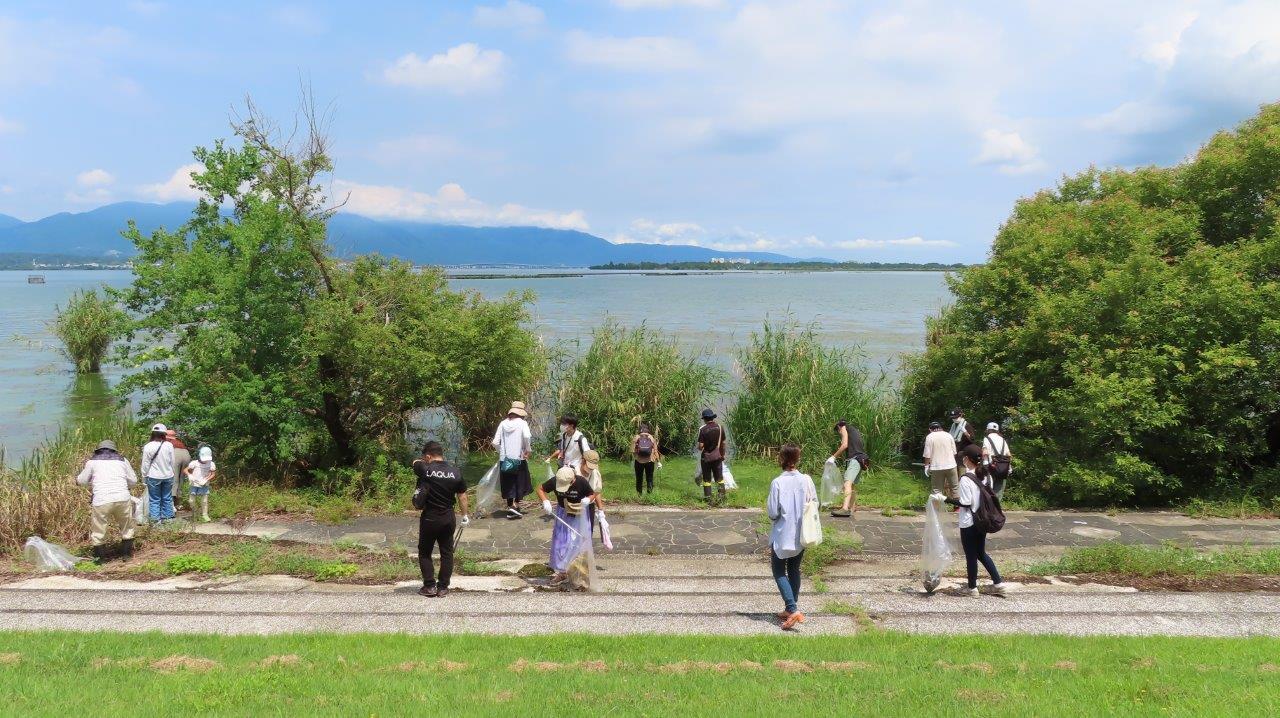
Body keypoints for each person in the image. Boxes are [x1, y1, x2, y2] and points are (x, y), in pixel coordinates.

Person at [943, 445, 1006, 597]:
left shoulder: (966, 478)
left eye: (964, 457)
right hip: (983, 520)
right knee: (981, 553)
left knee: (971, 555)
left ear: (967, 459)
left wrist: (946, 499)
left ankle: (972, 588)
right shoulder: (986, 475)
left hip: (969, 522)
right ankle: (998, 583)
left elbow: (965, 502)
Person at [767, 443, 816, 630]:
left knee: (779, 571)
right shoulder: (807, 480)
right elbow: (814, 504)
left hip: (782, 534)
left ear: (781, 459)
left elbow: (773, 512)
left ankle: (793, 609)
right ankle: (790, 607)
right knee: (794, 569)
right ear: (797, 459)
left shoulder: (777, 483)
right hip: (801, 533)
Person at [412, 441, 469, 598]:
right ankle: (443, 587)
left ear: (428, 456)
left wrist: (423, 461)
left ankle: (429, 586)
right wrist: (465, 515)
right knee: (447, 552)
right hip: (448, 517)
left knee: (425, 552)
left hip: (430, 517)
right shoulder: (455, 472)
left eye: (426, 457)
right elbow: (462, 496)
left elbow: (415, 462)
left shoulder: (425, 469)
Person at [75, 440, 138, 562]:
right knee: (127, 528)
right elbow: (133, 481)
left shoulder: (92, 462)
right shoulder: (123, 461)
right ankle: (126, 555)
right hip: (122, 497)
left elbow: (81, 481)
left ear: (98, 450)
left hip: (102, 499)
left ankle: (100, 559)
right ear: (114, 450)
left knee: (99, 530)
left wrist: (81, 481)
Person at [538, 465, 596, 587]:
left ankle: (579, 573)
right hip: (563, 513)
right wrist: (545, 501)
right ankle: (562, 572)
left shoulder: (581, 482)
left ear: (572, 479)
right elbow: (540, 489)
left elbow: (593, 494)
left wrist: (588, 500)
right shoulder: (555, 480)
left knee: (577, 543)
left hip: (579, 514)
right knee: (561, 543)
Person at [491, 401, 533, 519]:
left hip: (505, 460)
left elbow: (494, 442)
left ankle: (510, 506)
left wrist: (502, 452)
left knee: (508, 483)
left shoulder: (503, 423)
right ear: (521, 413)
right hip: (519, 459)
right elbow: (526, 436)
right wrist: (528, 450)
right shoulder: (523, 423)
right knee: (520, 482)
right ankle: (515, 506)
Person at [827, 419, 867, 518]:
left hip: (855, 459)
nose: (839, 433)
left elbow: (844, 445)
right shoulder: (853, 430)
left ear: (839, 427)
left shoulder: (843, 427)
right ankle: (852, 508)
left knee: (847, 483)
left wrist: (833, 457)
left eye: (838, 431)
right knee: (852, 485)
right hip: (860, 460)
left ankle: (845, 509)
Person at [140, 423, 177, 522]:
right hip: (168, 475)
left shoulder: (148, 446)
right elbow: (173, 462)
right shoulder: (169, 445)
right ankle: (168, 519)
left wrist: (144, 476)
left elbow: (145, 464)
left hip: (153, 476)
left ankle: (156, 522)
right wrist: (173, 473)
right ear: (164, 434)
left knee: (154, 500)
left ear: (153, 434)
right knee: (167, 498)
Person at [923, 421, 959, 501]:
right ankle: (958, 509)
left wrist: (926, 466)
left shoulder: (930, 437)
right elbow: (954, 452)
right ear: (940, 428)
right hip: (951, 465)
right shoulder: (949, 435)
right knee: (955, 488)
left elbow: (927, 454)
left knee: (937, 491)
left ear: (930, 429)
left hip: (936, 467)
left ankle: (937, 509)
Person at [697, 409, 727, 504]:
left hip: (706, 458)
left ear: (705, 419)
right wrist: (723, 454)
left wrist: (702, 445)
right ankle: (721, 498)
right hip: (717, 456)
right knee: (719, 478)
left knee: (707, 479)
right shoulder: (720, 427)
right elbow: (723, 443)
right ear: (713, 417)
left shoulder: (703, 430)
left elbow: (700, 446)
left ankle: (708, 499)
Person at [183, 446, 216, 522]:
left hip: (204, 484)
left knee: (204, 501)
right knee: (191, 500)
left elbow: (213, 474)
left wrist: (206, 479)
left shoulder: (211, 464)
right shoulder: (194, 463)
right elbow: (185, 470)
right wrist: (190, 475)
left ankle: (205, 515)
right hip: (194, 484)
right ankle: (195, 512)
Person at [981, 422, 1013, 498]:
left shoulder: (987, 439)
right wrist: (1009, 467)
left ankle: (989, 507)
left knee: (989, 488)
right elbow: (1009, 455)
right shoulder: (1003, 440)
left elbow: (985, 453)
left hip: (991, 466)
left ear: (988, 429)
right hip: (1003, 467)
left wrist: (985, 464)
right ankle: (997, 507)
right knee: (999, 489)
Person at [632, 423, 661, 495]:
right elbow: (655, 451)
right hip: (650, 461)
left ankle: (639, 495)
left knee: (639, 479)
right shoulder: (651, 437)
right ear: (647, 430)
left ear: (640, 430)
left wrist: (636, 457)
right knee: (650, 478)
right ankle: (649, 495)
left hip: (638, 461)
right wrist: (658, 462)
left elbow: (632, 451)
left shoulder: (636, 437)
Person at [166, 429, 191, 511]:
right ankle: (179, 503)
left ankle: (172, 503)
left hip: (175, 453)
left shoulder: (167, 441)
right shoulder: (179, 442)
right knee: (181, 479)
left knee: (174, 478)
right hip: (186, 453)